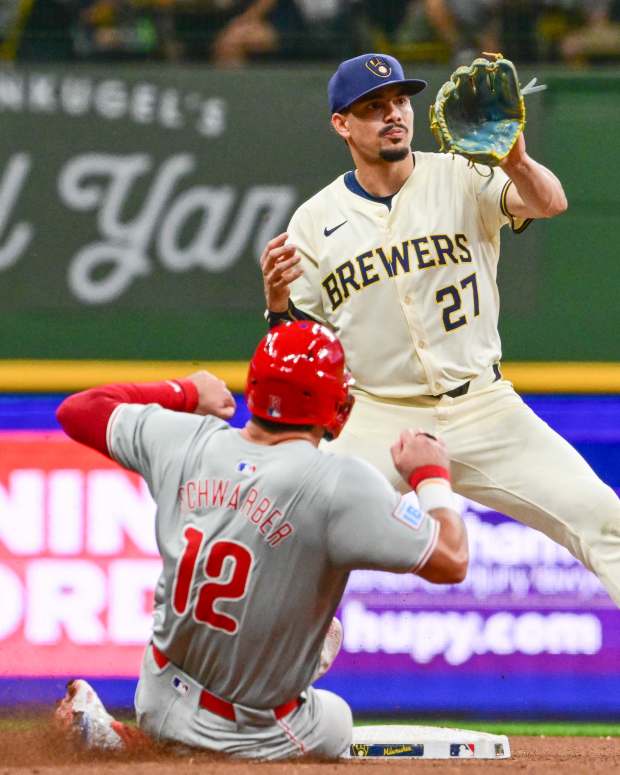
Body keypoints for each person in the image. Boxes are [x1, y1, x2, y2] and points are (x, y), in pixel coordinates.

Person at [260, 52, 620, 607]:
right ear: (342, 124)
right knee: (292, 534)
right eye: (373, 106)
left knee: (604, 519)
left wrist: (518, 161)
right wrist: (277, 302)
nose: (393, 114)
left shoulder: (461, 173)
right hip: (380, 414)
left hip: (485, 406)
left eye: (400, 101)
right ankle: (257, 685)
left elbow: (550, 202)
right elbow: (295, 344)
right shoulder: (313, 220)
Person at [54, 320, 467, 760]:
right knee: (336, 718)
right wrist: (431, 476)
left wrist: (185, 392)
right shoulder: (338, 483)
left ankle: (144, 735)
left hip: (155, 692)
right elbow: (451, 559)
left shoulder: (184, 437)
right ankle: (191, 732)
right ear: (330, 402)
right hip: (244, 729)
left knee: (295, 610)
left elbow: (78, 410)